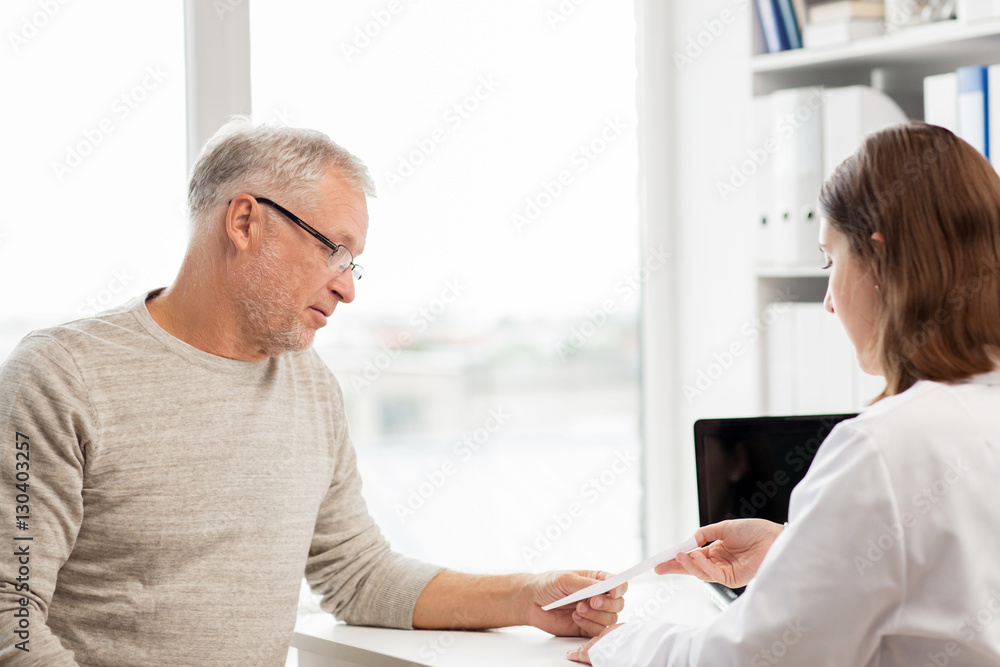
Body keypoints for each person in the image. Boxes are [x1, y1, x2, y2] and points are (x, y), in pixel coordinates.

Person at [0, 119, 625, 666]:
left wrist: (530, 596)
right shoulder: (62, 374)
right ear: (245, 221)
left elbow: (357, 575)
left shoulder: (311, 385)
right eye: (334, 250)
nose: (347, 288)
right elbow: (10, 615)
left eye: (353, 263)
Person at [568, 121, 1000, 665]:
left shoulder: (883, 448)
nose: (828, 302)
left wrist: (625, 642)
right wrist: (793, 550)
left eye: (830, 261)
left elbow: (748, 662)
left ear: (878, 260)